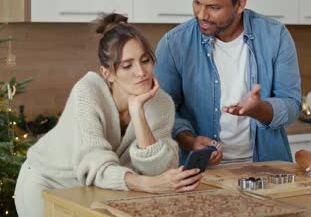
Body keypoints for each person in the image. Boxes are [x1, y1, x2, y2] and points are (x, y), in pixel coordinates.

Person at [14, 14, 203, 217]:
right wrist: (148, 184)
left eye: (145, 60)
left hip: (94, 189)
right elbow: (96, 166)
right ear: (108, 74)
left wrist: (137, 112)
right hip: (47, 183)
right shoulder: (87, 92)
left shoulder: (161, 103)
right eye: (127, 65)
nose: (141, 72)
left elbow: (159, 169)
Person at [154, 0, 301, 165]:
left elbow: (292, 105)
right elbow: (162, 111)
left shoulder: (275, 36)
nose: (201, 15)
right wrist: (190, 140)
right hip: (201, 173)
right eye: (196, 2)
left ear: (240, 4)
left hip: (265, 168)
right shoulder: (174, 44)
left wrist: (258, 110)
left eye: (213, 7)